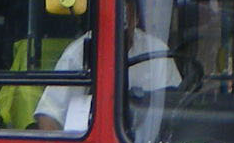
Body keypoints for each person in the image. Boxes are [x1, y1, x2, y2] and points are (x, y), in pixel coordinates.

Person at [32, 25, 180, 134]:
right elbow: (48, 116)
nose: (123, 15)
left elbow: (177, 109)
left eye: (128, 5)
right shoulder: (79, 52)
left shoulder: (157, 51)